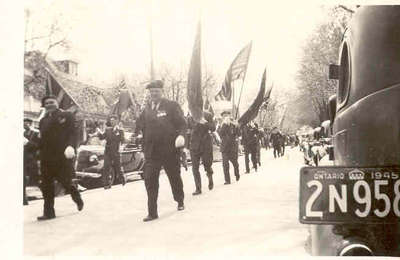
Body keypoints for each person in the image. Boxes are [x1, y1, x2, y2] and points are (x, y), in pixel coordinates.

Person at [135, 80, 187, 222]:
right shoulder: (146, 109)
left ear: (161, 92)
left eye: (156, 91)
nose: (154, 94)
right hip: (152, 152)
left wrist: (181, 136)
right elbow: (139, 125)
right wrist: (137, 134)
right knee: (150, 180)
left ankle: (180, 200)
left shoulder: (171, 106)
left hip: (169, 149)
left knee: (174, 177)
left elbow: (182, 123)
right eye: (152, 92)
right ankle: (152, 212)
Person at [37, 95, 84, 221]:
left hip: (61, 155)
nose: (49, 105)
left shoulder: (66, 115)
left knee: (65, 182)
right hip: (46, 157)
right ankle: (49, 212)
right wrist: (35, 150)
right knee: (46, 186)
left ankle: (77, 198)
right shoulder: (43, 121)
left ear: (57, 103)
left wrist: (71, 146)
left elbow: (73, 133)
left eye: (51, 102)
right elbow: (42, 139)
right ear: (44, 106)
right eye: (46, 103)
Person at [91, 115, 126, 189]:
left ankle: (122, 179)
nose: (112, 122)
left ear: (116, 121)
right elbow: (102, 137)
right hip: (108, 151)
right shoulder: (108, 130)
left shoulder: (120, 130)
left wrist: (121, 146)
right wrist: (98, 131)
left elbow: (122, 140)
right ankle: (106, 184)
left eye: (113, 120)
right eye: (111, 121)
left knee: (118, 167)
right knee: (106, 167)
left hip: (116, 151)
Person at [188, 111, 216, 195]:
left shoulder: (208, 115)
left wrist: (205, 122)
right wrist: (186, 146)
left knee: (207, 163)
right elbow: (188, 131)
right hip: (194, 144)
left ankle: (210, 176)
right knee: (195, 168)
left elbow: (213, 128)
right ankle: (198, 188)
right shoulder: (190, 117)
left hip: (205, 143)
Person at [218, 111, 240, 184]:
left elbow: (239, 134)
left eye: (227, 115)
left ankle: (237, 174)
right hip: (224, 148)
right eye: (224, 116)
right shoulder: (221, 125)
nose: (226, 117)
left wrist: (237, 126)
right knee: (225, 164)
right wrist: (224, 125)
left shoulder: (233, 124)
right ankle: (227, 180)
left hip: (232, 147)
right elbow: (220, 134)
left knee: (235, 163)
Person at [23, 118, 40, 205]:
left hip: (33, 159)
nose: (25, 125)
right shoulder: (22, 134)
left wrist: (28, 143)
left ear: (31, 124)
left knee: (36, 179)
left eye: (27, 124)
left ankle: (46, 193)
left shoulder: (36, 133)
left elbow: (38, 146)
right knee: (23, 178)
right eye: (24, 124)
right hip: (24, 159)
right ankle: (24, 199)